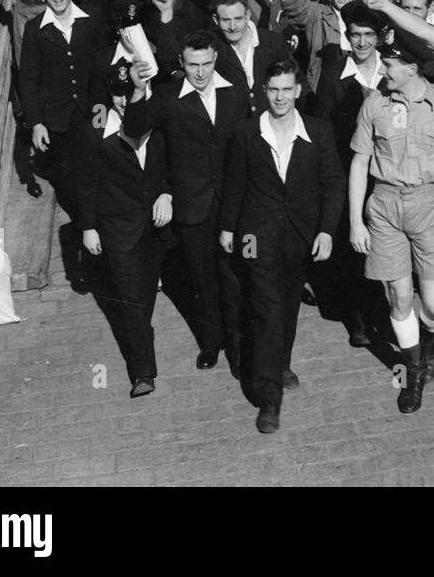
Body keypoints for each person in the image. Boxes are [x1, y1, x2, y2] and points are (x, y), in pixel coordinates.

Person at [347, 40, 434, 413]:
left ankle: (430, 335)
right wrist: (356, 221)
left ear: (411, 68)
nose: (382, 70)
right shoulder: (375, 103)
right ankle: (412, 369)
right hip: (385, 206)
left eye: (388, 64)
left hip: (429, 204)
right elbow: (360, 163)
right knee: (400, 297)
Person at [220, 59, 344, 434]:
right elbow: (236, 184)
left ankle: (281, 362)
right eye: (273, 89)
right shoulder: (246, 132)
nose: (279, 97)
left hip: (300, 236)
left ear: (298, 91)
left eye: (286, 89)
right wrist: (228, 228)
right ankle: (268, 397)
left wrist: (326, 231)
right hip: (254, 236)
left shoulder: (318, 132)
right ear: (263, 91)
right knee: (268, 307)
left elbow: (334, 184)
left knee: (288, 302)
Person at [124, 31, 251, 377]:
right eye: (192, 65)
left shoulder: (235, 93)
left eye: (206, 64)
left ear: (215, 61)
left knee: (234, 277)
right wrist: (137, 91)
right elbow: (135, 126)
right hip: (192, 205)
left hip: (231, 203)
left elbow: (247, 148)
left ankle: (238, 347)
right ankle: (212, 342)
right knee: (201, 278)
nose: (200, 72)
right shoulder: (168, 97)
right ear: (181, 63)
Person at [82, 62, 172, 399]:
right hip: (119, 228)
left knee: (145, 295)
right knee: (133, 301)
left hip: (158, 225)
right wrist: (89, 228)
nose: (123, 101)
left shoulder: (159, 119)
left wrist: (167, 192)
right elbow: (87, 183)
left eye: (129, 93)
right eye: (117, 95)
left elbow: (175, 164)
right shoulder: (98, 128)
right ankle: (142, 372)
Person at [18, 0, 105, 220]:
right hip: (57, 118)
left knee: (99, 168)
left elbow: (102, 70)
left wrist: (102, 113)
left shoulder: (91, 20)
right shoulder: (35, 30)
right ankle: (83, 225)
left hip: (91, 112)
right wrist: (37, 123)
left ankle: (101, 221)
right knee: (68, 176)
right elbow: (28, 80)